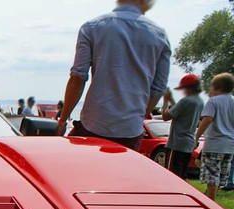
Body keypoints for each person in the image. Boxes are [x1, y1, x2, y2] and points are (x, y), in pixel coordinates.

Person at [59, 0, 172, 150]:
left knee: (82, 172)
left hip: (94, 123)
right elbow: (158, 87)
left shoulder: (92, 27)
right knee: (122, 173)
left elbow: (78, 77)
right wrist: (139, 116)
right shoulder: (160, 35)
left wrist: (63, 120)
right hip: (131, 130)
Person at [195, 73, 234, 201]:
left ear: (216, 87)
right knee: (220, 176)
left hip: (214, 144)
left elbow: (207, 119)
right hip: (229, 146)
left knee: (211, 176)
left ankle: (211, 204)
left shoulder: (213, 101)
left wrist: (196, 137)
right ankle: (212, 199)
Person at [161, 74, 204, 179]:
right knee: (181, 174)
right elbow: (179, 112)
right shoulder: (199, 101)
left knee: (171, 175)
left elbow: (165, 116)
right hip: (188, 142)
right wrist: (171, 100)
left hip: (177, 143)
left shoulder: (186, 100)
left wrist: (165, 100)